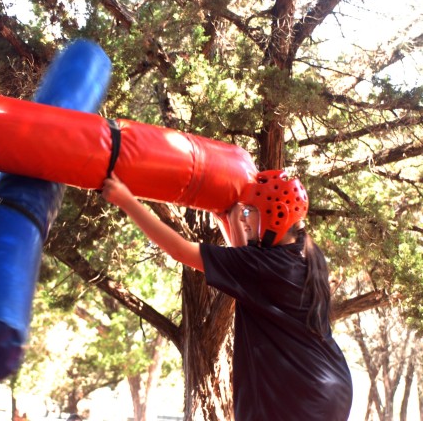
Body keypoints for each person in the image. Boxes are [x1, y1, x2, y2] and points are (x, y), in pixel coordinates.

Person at [102, 170, 353, 420]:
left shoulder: (263, 265)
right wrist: (229, 215)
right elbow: (247, 268)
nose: (245, 220)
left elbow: (179, 250)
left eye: (249, 212)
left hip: (299, 396)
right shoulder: (306, 253)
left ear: (274, 214)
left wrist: (126, 201)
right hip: (327, 385)